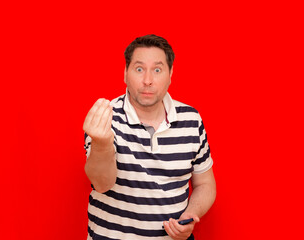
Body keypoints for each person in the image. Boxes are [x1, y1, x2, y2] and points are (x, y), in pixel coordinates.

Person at [83, 34, 216, 240]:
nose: (147, 80)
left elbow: (205, 184)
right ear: (125, 73)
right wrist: (101, 143)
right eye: (138, 69)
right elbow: (102, 183)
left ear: (170, 74)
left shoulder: (192, 119)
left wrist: (191, 214)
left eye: (157, 69)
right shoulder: (106, 117)